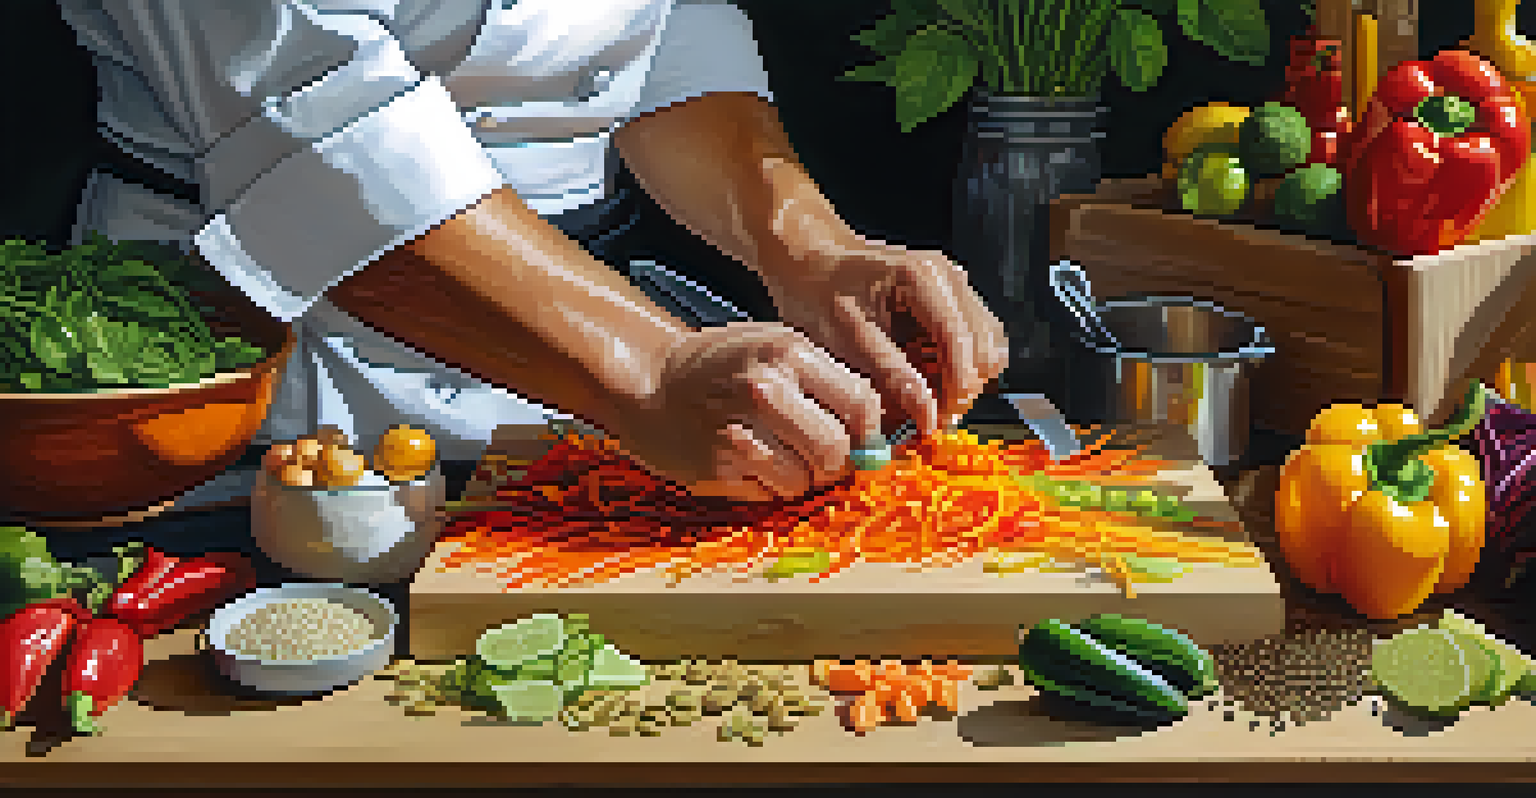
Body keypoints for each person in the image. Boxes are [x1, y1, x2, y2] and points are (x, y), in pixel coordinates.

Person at [58, 0, 1007, 503]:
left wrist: (811, 248)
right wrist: (653, 367)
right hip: (248, 389)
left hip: (581, 384)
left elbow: (659, 34)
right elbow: (330, 140)